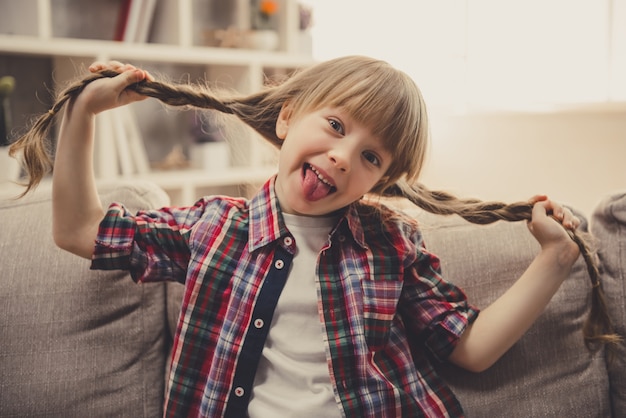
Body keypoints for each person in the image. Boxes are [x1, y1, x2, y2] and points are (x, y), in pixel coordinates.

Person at [8, 56, 618, 417]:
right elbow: (79, 230)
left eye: (372, 156)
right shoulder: (212, 229)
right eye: (334, 124)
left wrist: (556, 257)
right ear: (286, 117)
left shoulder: (391, 245)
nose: (343, 156)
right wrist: (82, 115)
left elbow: (471, 349)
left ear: (381, 180)